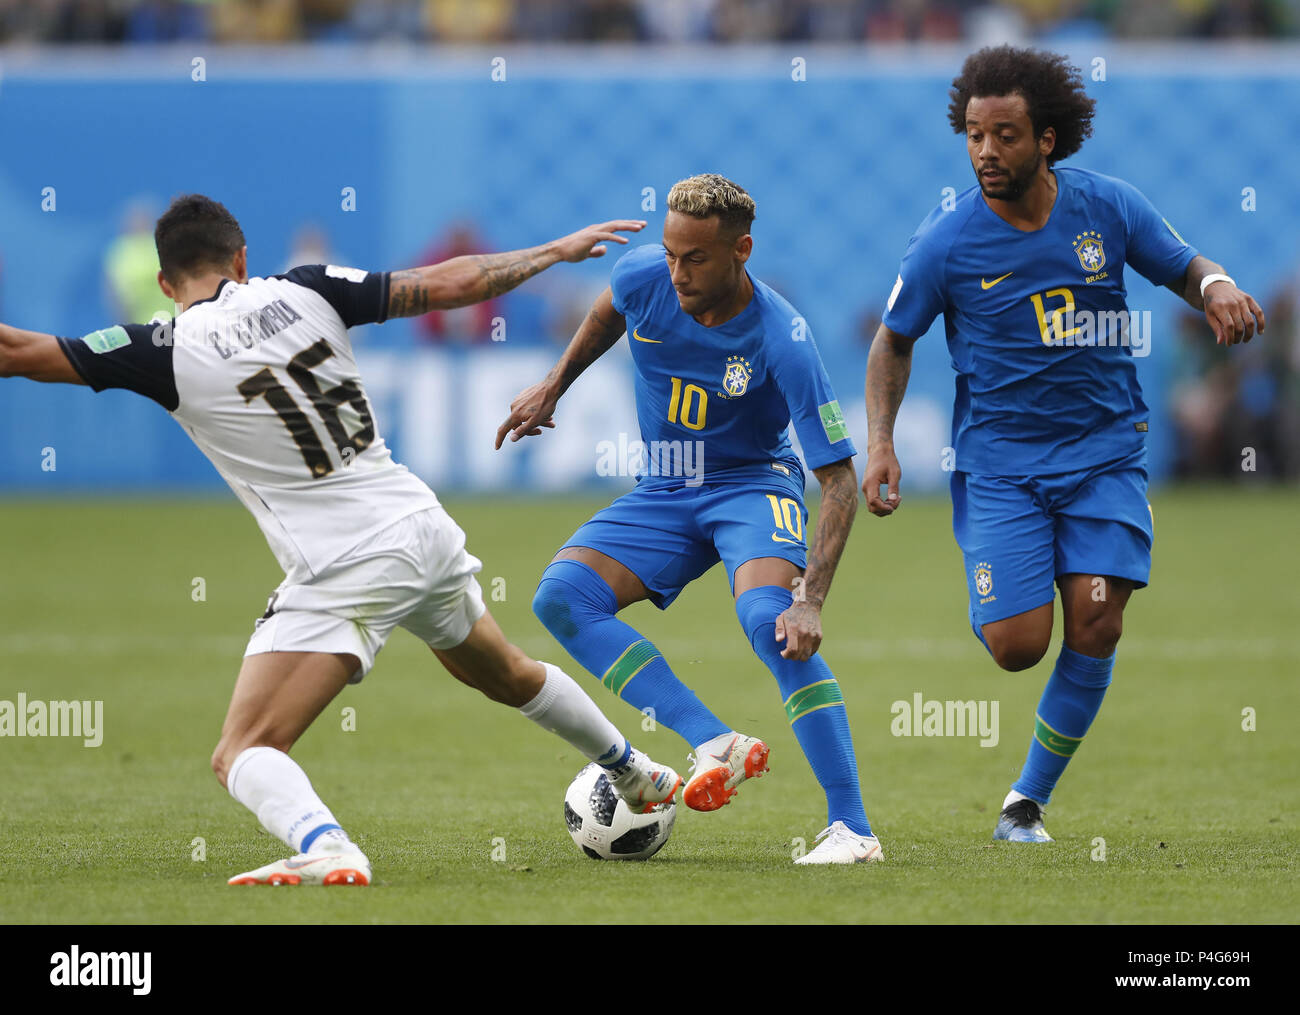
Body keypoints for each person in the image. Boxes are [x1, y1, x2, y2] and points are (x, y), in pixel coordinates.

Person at [0, 194, 682, 885]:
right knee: (503, 671)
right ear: (241, 259)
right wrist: (552, 251)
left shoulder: (162, 349)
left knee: (242, 749)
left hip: (345, 560)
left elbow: (18, 352)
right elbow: (454, 282)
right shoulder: (308, 288)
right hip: (421, 525)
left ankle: (326, 844)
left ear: (166, 283)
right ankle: (635, 769)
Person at [863, 46, 1265, 842]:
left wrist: (1217, 288)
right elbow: (892, 341)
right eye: (974, 135)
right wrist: (881, 441)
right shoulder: (946, 240)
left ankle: (1024, 804)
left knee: (1097, 624)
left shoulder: (1107, 208)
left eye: (1004, 134)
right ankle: (1012, 575)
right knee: (1017, 646)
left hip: (1104, 456)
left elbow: (1186, 267)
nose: (985, 152)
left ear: (1047, 138)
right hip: (1002, 468)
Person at [498, 173, 882, 864]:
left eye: (695, 258)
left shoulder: (784, 338)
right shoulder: (645, 276)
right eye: (671, 253)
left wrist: (812, 600)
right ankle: (713, 740)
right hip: (667, 490)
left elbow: (838, 479)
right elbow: (608, 311)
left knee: (774, 623)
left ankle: (852, 829)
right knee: (561, 597)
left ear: (742, 250)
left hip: (749, 485)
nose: (676, 271)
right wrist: (554, 385)